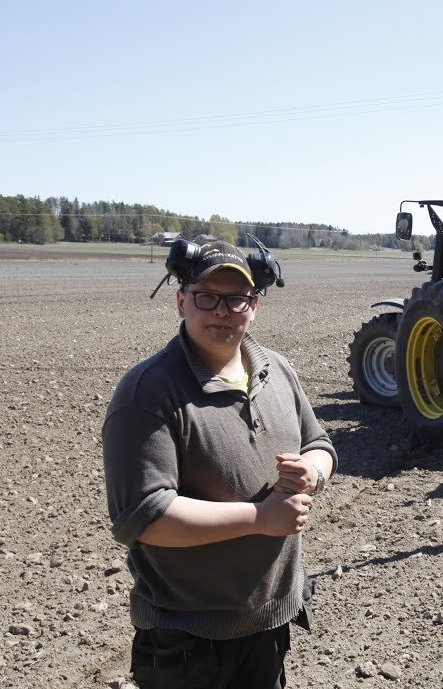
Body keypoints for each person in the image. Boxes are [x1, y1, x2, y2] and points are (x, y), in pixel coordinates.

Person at [102, 239, 336, 688]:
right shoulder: (148, 393)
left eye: (236, 299)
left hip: (269, 623)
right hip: (189, 642)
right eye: (206, 297)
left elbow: (320, 442)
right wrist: (261, 518)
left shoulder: (276, 370)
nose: (221, 311)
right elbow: (144, 517)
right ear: (181, 301)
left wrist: (314, 471)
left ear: (255, 305)